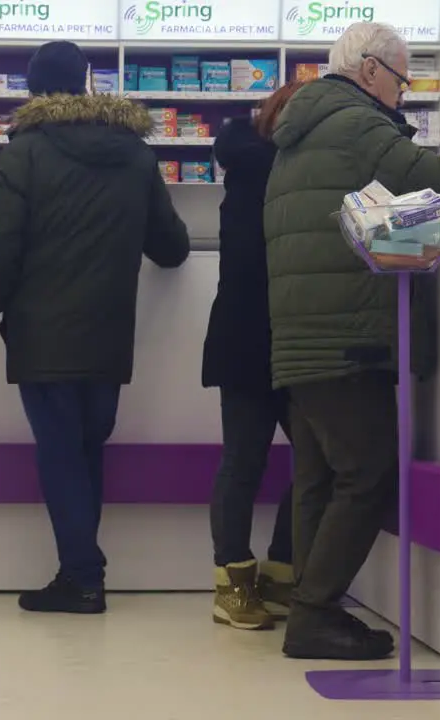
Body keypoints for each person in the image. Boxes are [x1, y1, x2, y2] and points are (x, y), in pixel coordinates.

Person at [264, 22, 440, 659]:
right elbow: (433, 176)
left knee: (319, 479)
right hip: (348, 338)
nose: (404, 93)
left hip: (301, 341)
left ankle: (308, 613)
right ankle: (314, 616)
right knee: (369, 470)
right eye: (403, 80)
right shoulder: (358, 125)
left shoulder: (300, 134)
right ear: (371, 70)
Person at [0, 41, 190, 615]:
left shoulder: (24, 152)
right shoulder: (135, 153)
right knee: (86, 449)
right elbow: (171, 247)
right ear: (87, 84)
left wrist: (3, 305)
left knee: (60, 452)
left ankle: (82, 577)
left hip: (41, 331)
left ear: (32, 88)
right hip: (108, 330)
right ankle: (81, 572)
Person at [203, 84, 306, 632]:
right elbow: (254, 260)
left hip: (296, 334)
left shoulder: (282, 166)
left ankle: (280, 571)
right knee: (245, 459)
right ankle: (233, 582)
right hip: (250, 335)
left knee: (317, 458)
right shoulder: (253, 167)